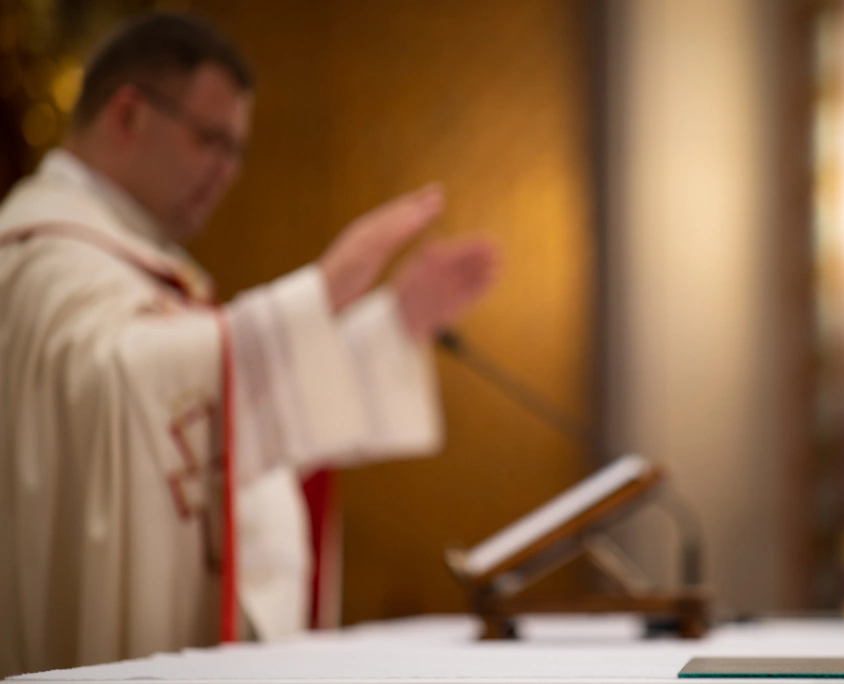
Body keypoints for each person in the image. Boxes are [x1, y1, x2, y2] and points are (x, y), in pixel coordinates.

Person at [0, 12, 499, 676]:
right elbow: (118, 387)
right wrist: (317, 294)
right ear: (128, 114)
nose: (227, 171)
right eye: (212, 140)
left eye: (237, 150)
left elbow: (219, 395)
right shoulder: (43, 258)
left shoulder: (132, 262)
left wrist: (391, 324)